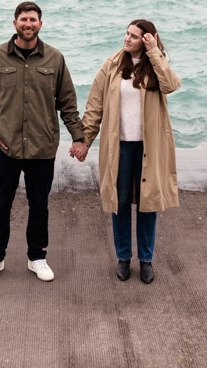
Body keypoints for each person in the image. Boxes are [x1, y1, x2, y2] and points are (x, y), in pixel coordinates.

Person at [0, 1, 84, 282]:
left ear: (40, 24)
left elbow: (68, 103)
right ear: (15, 24)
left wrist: (79, 137)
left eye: (33, 19)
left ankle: (37, 257)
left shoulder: (55, 59)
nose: (28, 24)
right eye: (23, 19)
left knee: (39, 206)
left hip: (41, 148)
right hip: (5, 148)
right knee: (1, 205)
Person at [70, 19, 180, 284]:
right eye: (126, 33)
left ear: (147, 39)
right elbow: (94, 106)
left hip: (149, 147)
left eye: (133, 35)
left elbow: (171, 85)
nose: (126, 39)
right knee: (118, 204)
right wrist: (84, 141)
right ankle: (123, 258)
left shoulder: (157, 65)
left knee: (147, 204)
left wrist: (154, 52)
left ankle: (145, 260)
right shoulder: (111, 65)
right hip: (118, 147)